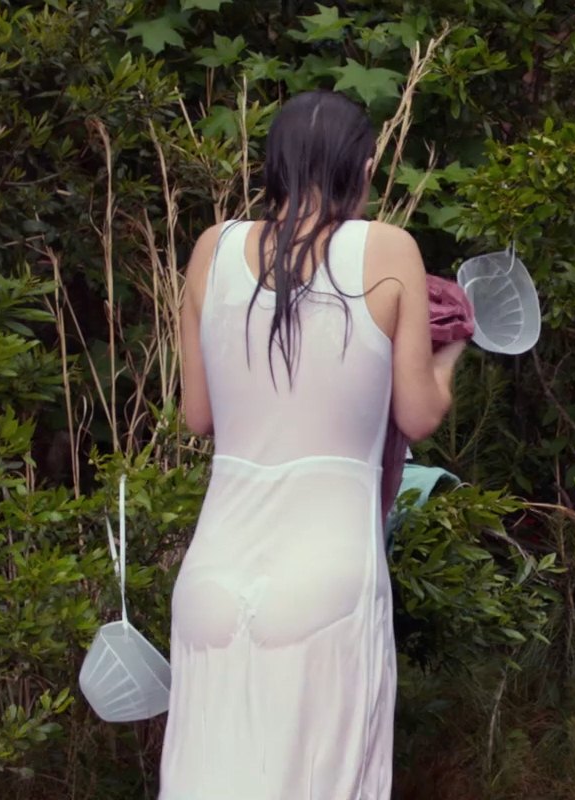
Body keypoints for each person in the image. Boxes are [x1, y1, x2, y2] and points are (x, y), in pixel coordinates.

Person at [164, 89, 465, 799]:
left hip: (212, 575)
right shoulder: (387, 248)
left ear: (273, 164)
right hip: (328, 575)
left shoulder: (212, 249)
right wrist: (451, 353)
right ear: (364, 167)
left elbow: (197, 415)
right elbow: (418, 414)